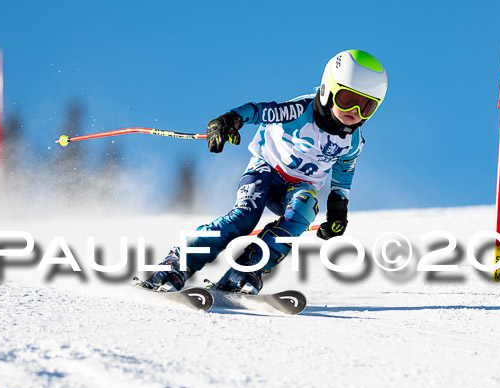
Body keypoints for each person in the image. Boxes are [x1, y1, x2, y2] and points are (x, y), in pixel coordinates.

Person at [139, 49, 388, 294]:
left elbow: (344, 174)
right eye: (346, 100)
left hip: (299, 186)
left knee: (302, 211)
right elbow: (259, 111)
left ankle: (246, 269)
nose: (353, 113)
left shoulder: (353, 142)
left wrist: (337, 212)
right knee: (244, 218)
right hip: (266, 170)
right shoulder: (300, 110)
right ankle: (176, 264)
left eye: (366, 107)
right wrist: (229, 120)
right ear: (327, 89)